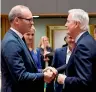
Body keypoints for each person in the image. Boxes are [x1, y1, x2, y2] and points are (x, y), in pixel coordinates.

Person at [1, 5, 57, 92]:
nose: (32, 22)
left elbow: (26, 68)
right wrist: (43, 76)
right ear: (16, 20)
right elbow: (20, 76)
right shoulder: (11, 42)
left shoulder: (18, 39)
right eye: (29, 19)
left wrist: (42, 71)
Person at [57, 9, 96, 92]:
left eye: (68, 21)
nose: (65, 24)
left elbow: (84, 81)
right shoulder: (87, 40)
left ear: (76, 24)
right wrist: (56, 70)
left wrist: (64, 79)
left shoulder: (83, 45)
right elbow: (75, 63)